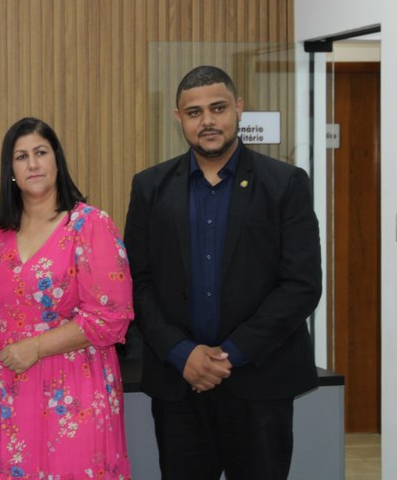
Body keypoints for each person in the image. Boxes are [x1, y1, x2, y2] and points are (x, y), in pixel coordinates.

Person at [124, 65, 322, 480]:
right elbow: (137, 283)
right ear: (178, 118)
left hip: (261, 382)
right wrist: (182, 353)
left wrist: (227, 356)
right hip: (179, 387)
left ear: (239, 108)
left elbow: (301, 285)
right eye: (194, 112)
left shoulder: (285, 184)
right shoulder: (150, 188)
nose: (208, 121)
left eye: (218, 108)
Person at [0, 117, 134, 479]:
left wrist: (35, 347)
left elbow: (111, 318)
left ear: (57, 160)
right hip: (12, 386)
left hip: (75, 386)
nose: (32, 164)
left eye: (41, 152)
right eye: (21, 156)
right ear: (10, 170)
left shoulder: (90, 224)